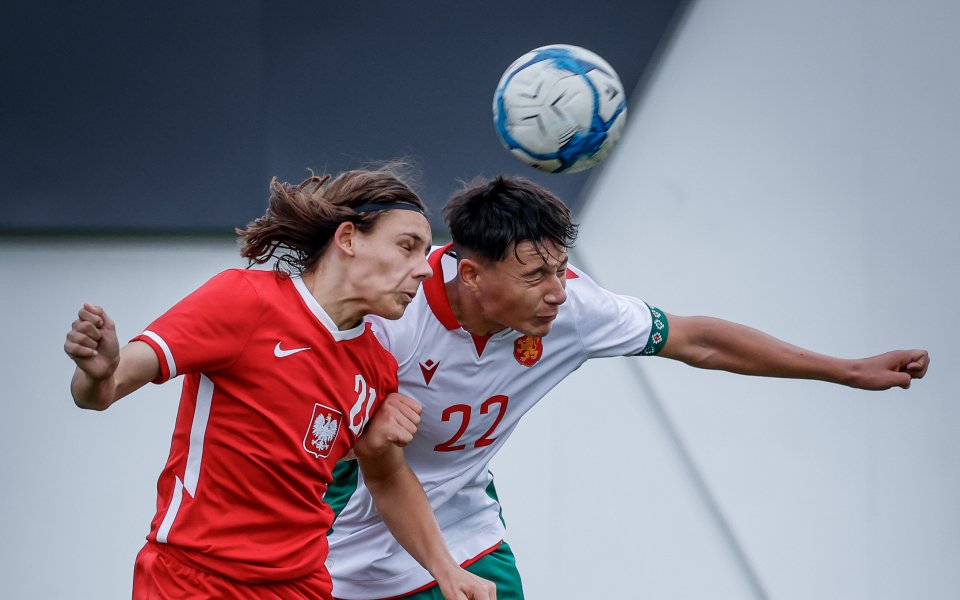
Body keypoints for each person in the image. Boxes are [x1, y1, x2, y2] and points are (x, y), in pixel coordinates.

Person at [325, 175, 931, 599]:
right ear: (473, 273)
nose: (558, 290)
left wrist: (846, 370)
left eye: (561, 268)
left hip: (463, 530)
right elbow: (314, 414)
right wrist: (360, 430)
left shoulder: (574, 307)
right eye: (536, 275)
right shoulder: (393, 314)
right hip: (341, 538)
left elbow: (699, 339)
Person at [63, 169, 496, 600]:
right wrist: (99, 371)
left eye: (425, 254)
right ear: (347, 239)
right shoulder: (244, 300)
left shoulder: (377, 366)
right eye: (407, 247)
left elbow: (387, 477)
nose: (424, 270)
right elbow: (104, 390)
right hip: (194, 579)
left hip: (300, 585)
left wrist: (447, 569)